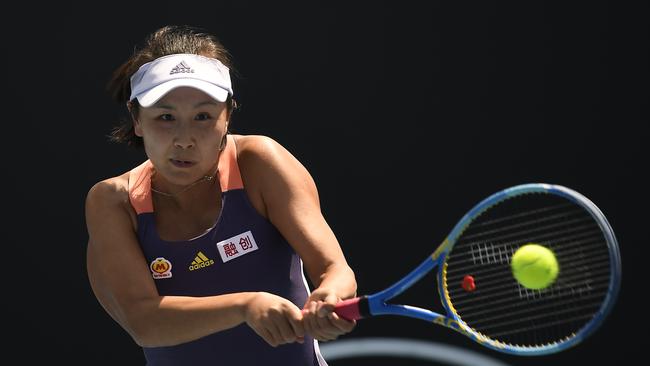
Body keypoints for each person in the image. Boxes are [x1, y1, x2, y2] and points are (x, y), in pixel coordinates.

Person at [85, 25, 357, 366]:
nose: (184, 139)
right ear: (136, 119)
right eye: (165, 117)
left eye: (203, 116)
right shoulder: (113, 202)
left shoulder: (260, 163)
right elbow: (145, 323)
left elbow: (335, 269)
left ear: (227, 116)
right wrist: (246, 306)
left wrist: (329, 297)